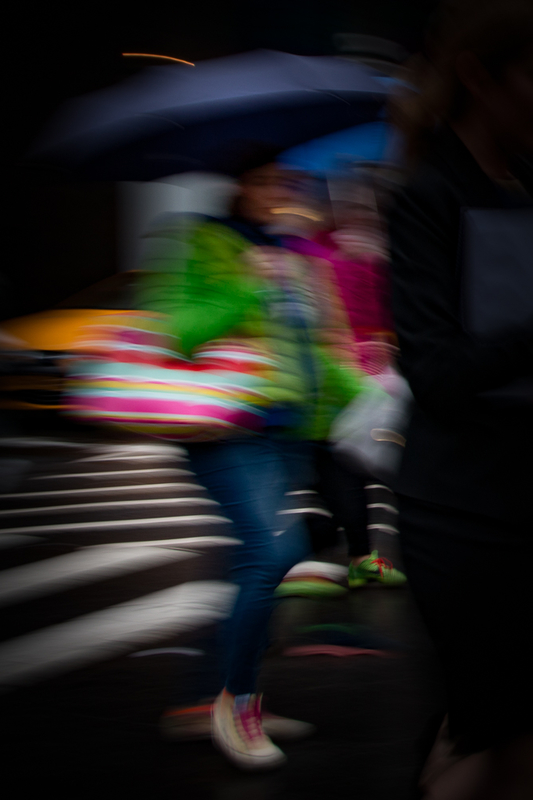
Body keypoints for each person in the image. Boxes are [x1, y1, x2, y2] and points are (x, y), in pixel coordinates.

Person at [136, 145, 364, 770]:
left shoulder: (298, 256)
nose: (275, 191)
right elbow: (175, 329)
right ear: (236, 185)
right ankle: (235, 704)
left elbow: (321, 351)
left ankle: (207, 700)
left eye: (282, 180)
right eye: (262, 180)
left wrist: (375, 404)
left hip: (285, 433)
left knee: (251, 566)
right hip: (225, 432)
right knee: (273, 556)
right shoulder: (200, 243)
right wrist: (245, 282)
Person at [388, 1, 533, 796]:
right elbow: (435, 373)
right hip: (462, 515)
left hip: (520, 498)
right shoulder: (427, 196)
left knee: (502, 732)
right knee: (489, 742)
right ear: (481, 78)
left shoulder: (527, 185)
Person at [271, 184, 407, 596]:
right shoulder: (311, 259)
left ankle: (357, 558)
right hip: (296, 397)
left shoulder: (324, 259)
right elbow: (328, 331)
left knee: (342, 479)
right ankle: (307, 552)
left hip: (326, 394)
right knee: (319, 483)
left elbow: (338, 331)